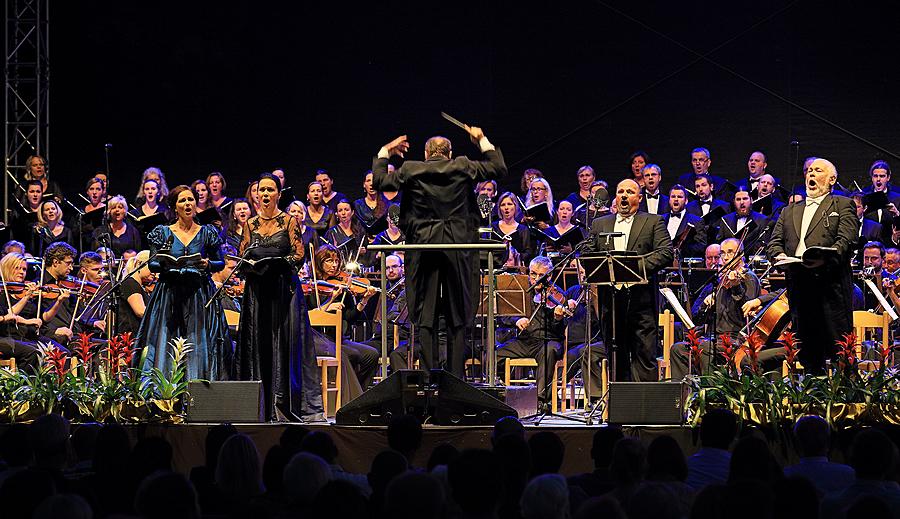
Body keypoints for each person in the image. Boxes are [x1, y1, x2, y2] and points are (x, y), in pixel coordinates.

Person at [372, 126, 507, 377]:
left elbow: (380, 181)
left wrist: (385, 151)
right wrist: (481, 139)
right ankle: (455, 379)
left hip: (424, 247)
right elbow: (498, 168)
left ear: (426, 153)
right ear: (450, 153)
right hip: (457, 247)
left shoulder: (413, 169)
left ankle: (428, 378)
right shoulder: (462, 165)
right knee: (457, 312)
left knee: (426, 312)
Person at [234, 173, 322, 421]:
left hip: (284, 291)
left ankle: (283, 404)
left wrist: (278, 262)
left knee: (284, 345)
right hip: (258, 293)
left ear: (278, 194)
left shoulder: (289, 222)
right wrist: (250, 266)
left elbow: (298, 255)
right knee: (259, 345)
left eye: (270, 190)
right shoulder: (250, 224)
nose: (265, 194)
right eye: (261, 190)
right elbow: (243, 259)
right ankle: (260, 406)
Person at [767, 157, 858, 373]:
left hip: (830, 286)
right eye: (809, 171)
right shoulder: (789, 211)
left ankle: (847, 399)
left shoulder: (842, 204)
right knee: (808, 350)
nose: (811, 174)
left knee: (840, 349)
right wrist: (779, 255)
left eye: (818, 171)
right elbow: (774, 242)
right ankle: (812, 399)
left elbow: (847, 240)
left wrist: (826, 257)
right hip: (799, 287)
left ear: (831, 178)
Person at [137, 185, 230, 381]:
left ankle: (198, 390)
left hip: (199, 293)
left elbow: (220, 262)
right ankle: (164, 394)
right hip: (169, 293)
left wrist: (207, 264)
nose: (187, 204)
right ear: (174, 206)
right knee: (166, 340)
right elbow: (152, 263)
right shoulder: (162, 233)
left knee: (198, 342)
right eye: (182, 201)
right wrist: (164, 262)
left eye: (190, 200)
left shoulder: (207, 232)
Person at [586, 178, 673, 381]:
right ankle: (620, 407)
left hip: (641, 301)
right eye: (620, 191)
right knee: (616, 355)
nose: (624, 195)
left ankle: (644, 409)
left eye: (630, 192)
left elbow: (666, 252)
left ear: (639, 198)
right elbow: (588, 254)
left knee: (644, 354)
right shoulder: (600, 223)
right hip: (611, 302)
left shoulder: (653, 221)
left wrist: (633, 268)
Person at [306, 244, 380, 401]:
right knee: (346, 355)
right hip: (316, 339)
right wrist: (330, 302)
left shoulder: (341, 286)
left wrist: (365, 299)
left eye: (336, 261)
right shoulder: (311, 287)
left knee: (371, 354)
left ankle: (359, 396)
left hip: (338, 339)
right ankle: (348, 399)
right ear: (319, 262)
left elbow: (351, 317)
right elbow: (310, 317)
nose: (334, 265)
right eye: (329, 261)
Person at [497, 256, 566, 405]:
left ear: (550, 275)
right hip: (524, 341)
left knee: (550, 351)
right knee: (494, 355)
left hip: (547, 341)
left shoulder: (557, 294)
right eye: (533, 274)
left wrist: (557, 319)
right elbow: (503, 316)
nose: (536, 279)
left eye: (541, 276)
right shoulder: (521, 290)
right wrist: (517, 320)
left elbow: (560, 329)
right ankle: (503, 392)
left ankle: (541, 401)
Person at [663, 184, 706, 260]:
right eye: (673, 197)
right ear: (669, 200)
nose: (676, 199)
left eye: (679, 197)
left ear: (686, 201)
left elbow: (701, 247)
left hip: (684, 265)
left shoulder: (696, 221)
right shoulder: (661, 219)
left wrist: (681, 250)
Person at [491, 191, 533, 268]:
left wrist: (515, 255)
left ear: (515, 206)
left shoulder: (523, 229)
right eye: (503, 205)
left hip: (516, 268)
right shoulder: (493, 227)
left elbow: (527, 252)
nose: (506, 208)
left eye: (509, 204)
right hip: (495, 268)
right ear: (499, 208)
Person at [354, 171, 388, 236]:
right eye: (368, 180)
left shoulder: (386, 204)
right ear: (364, 184)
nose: (371, 184)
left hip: (382, 242)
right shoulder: (357, 205)